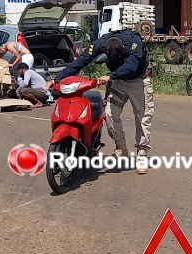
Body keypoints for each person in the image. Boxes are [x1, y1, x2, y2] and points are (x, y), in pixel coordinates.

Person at [55, 29, 153, 175]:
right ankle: (121, 148)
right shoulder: (100, 44)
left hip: (138, 80)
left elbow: (133, 64)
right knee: (109, 114)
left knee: (142, 118)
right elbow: (81, 60)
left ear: (122, 50)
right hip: (118, 81)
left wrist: (111, 75)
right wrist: (58, 78)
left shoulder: (134, 42)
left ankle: (142, 154)